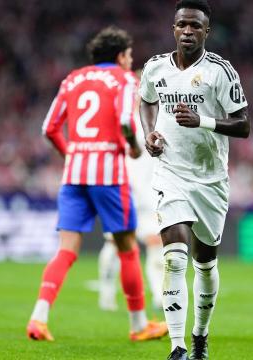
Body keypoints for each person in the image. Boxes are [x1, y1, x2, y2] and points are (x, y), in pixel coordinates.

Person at [26, 26, 167, 342]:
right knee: (127, 249)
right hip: (109, 175)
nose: (130, 62)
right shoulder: (124, 79)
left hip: (74, 175)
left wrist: (71, 155)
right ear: (120, 56)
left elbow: (49, 128)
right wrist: (132, 145)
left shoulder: (72, 78)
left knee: (66, 251)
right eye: (129, 56)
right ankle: (138, 324)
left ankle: (39, 318)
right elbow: (126, 122)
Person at [139, 1, 250, 358]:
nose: (188, 31)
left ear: (206, 32)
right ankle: (177, 346)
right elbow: (146, 101)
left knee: (205, 264)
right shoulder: (155, 67)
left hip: (210, 180)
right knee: (174, 258)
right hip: (170, 172)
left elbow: (244, 124)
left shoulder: (221, 71)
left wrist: (202, 120)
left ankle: (200, 334)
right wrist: (149, 132)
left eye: (195, 26)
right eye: (182, 25)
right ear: (173, 28)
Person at [97, 103, 164, 312]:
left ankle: (159, 296)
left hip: (149, 192)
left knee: (155, 243)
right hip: (125, 189)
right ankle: (107, 294)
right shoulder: (125, 121)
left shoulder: (159, 120)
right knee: (115, 243)